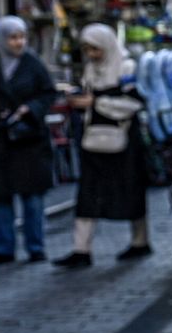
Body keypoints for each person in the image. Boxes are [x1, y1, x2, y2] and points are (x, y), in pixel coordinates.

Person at [0, 16, 57, 266]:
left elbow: (48, 93)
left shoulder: (33, 65)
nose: (18, 43)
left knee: (32, 198)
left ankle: (35, 246)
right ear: (1, 39)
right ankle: (2, 247)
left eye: (22, 37)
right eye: (13, 38)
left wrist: (30, 109)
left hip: (28, 139)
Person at [54, 24, 150, 268]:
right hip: (93, 140)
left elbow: (135, 103)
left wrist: (96, 102)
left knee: (130, 190)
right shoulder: (90, 69)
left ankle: (140, 241)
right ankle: (81, 249)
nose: (92, 55)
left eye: (95, 49)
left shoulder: (127, 67)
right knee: (88, 194)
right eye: (87, 49)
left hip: (124, 139)